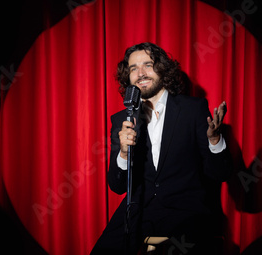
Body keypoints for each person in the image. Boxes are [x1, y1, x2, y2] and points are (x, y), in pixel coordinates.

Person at [91, 42, 232, 254]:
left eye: (148, 65)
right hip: (138, 211)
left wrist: (214, 140)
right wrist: (123, 153)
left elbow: (220, 173)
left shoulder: (192, 109)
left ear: (162, 68)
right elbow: (117, 186)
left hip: (186, 211)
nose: (140, 73)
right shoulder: (122, 119)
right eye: (133, 68)